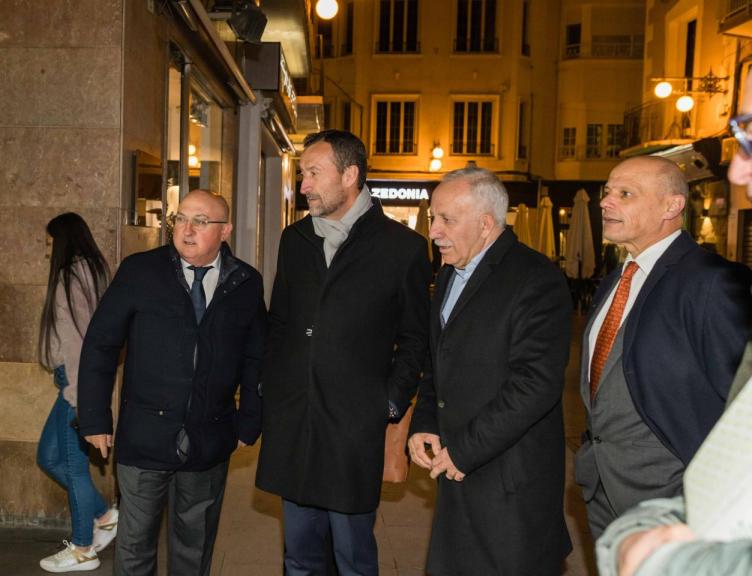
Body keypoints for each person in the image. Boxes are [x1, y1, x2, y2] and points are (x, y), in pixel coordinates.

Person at [255, 130, 430, 575]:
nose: (304, 185)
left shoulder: (401, 247)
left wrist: (389, 402)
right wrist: (271, 388)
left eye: (314, 173)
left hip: (354, 429)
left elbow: (416, 338)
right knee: (298, 555)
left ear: (350, 174)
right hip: (295, 421)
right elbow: (279, 322)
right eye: (302, 174)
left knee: (352, 557)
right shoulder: (295, 240)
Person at [595, 79, 752, 576]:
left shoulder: (711, 281)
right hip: (602, 488)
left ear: (671, 207)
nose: (606, 202)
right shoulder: (617, 274)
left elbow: (735, 404)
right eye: (606, 191)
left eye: (625, 193)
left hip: (671, 498)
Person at [78, 190, 266, 576]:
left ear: (225, 230)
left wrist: (249, 420)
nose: (187, 229)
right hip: (145, 435)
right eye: (181, 219)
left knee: (193, 549)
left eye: (201, 221)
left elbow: (256, 359)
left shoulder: (245, 282)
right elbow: (101, 343)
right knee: (135, 546)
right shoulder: (140, 271)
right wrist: (95, 418)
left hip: (209, 437)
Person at [406, 167, 573, 575]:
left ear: (485, 224)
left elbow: (535, 385)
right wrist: (425, 422)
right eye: (433, 218)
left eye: (447, 219)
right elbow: (437, 360)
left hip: (509, 483)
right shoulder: (447, 275)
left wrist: (465, 450)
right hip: (457, 471)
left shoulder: (536, 279)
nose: (435, 231)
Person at [35, 213, 119, 573]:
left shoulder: (71, 277)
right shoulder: (96, 270)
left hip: (77, 385)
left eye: (50, 241)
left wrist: (78, 396)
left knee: (74, 466)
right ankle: (103, 515)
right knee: (49, 456)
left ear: (64, 240)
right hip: (83, 382)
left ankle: (83, 548)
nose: (47, 248)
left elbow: (75, 342)